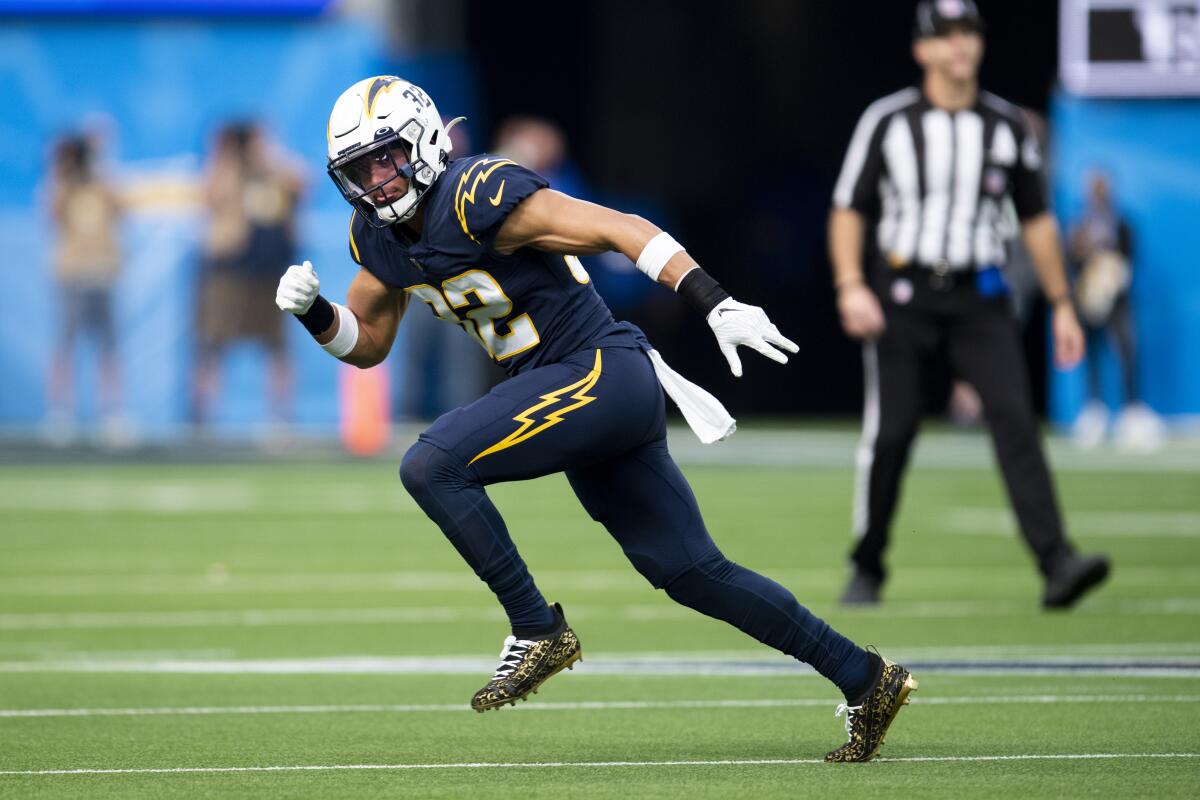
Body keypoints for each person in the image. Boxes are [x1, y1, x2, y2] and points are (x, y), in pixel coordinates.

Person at [276, 76, 917, 762]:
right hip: (575, 392)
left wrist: (715, 301)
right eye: (359, 169)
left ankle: (536, 628)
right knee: (692, 571)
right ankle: (865, 677)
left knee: (431, 463)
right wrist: (316, 315)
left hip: (595, 373)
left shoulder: (477, 193)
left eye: (386, 157)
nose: (376, 180)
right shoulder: (378, 240)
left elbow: (622, 229)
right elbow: (368, 344)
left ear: (425, 139)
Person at [828, 0, 1110, 609]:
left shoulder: (1007, 125)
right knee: (893, 430)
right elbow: (849, 206)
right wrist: (851, 284)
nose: (960, 46)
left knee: (1014, 419)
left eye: (969, 34)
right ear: (922, 49)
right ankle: (868, 562)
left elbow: (1036, 219)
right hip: (902, 293)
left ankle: (1057, 561)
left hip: (981, 295)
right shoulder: (889, 121)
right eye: (946, 35)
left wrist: (1061, 302)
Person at [193, 122, 304, 431]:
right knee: (213, 343)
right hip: (230, 270)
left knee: (278, 347)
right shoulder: (223, 170)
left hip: (272, 271)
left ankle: (281, 419)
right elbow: (209, 196)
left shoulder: (276, 170)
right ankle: (203, 422)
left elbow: (303, 182)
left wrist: (268, 152)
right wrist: (226, 155)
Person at [1067, 171, 1163, 450]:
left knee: (1127, 353)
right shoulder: (1079, 226)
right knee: (1092, 356)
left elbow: (1129, 257)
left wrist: (1110, 278)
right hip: (1088, 302)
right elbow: (1071, 260)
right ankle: (1093, 411)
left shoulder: (1121, 224)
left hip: (1118, 302)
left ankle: (1131, 412)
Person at [46, 133, 127, 444]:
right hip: (72, 273)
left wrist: (100, 157)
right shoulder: (64, 184)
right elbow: (50, 212)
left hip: (103, 273)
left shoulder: (102, 184)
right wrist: (63, 165)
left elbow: (121, 204)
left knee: (109, 348)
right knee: (64, 344)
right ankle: (60, 412)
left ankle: (112, 413)